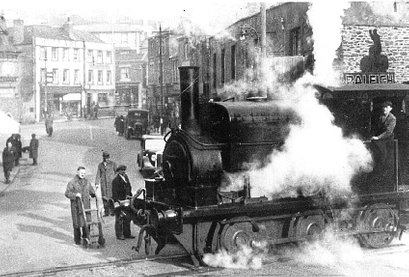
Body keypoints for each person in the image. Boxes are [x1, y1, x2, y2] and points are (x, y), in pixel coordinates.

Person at [65, 166, 98, 245]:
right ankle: (77, 239)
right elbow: (67, 193)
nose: (83, 174)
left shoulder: (87, 182)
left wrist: (93, 194)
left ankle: (86, 236)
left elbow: (91, 191)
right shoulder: (72, 182)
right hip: (76, 205)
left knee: (87, 220)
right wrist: (75, 194)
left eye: (84, 173)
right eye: (81, 173)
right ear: (77, 172)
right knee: (77, 223)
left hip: (86, 205)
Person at [112, 165, 134, 240]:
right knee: (119, 218)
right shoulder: (115, 180)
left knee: (127, 217)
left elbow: (129, 187)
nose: (124, 171)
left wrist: (130, 195)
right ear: (118, 171)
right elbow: (114, 193)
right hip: (120, 202)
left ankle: (127, 234)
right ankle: (119, 235)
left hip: (127, 201)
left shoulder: (126, 177)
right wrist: (118, 201)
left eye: (124, 170)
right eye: (122, 170)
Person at [371, 101, 397, 167]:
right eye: (383, 107)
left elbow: (388, 132)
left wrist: (378, 137)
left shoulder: (392, 118)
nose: (384, 109)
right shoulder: (380, 116)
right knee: (378, 157)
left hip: (388, 140)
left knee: (387, 159)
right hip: (380, 140)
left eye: (386, 107)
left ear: (390, 108)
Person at [95, 151, 117, 216]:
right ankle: (106, 212)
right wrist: (97, 183)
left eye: (108, 158)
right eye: (105, 158)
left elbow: (117, 172)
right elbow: (98, 174)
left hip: (111, 184)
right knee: (104, 198)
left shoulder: (113, 164)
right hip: (104, 184)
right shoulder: (100, 165)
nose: (107, 159)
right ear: (103, 158)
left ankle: (112, 211)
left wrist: (114, 179)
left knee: (111, 198)